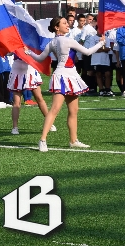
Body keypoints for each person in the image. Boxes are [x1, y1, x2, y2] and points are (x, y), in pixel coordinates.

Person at [26, 17, 105, 151]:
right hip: (65, 76)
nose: (67, 25)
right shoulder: (67, 40)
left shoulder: (52, 42)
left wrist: (28, 52)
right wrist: (100, 43)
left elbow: (39, 58)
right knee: (55, 109)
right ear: (57, 27)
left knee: (73, 110)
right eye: (64, 23)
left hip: (68, 75)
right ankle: (42, 140)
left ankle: (73, 140)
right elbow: (87, 52)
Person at [7, 54, 53, 135]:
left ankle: (50, 123)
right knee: (17, 102)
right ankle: (15, 127)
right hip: (18, 69)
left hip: (29, 68)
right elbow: (8, 53)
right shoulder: (18, 42)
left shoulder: (30, 42)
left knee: (39, 98)